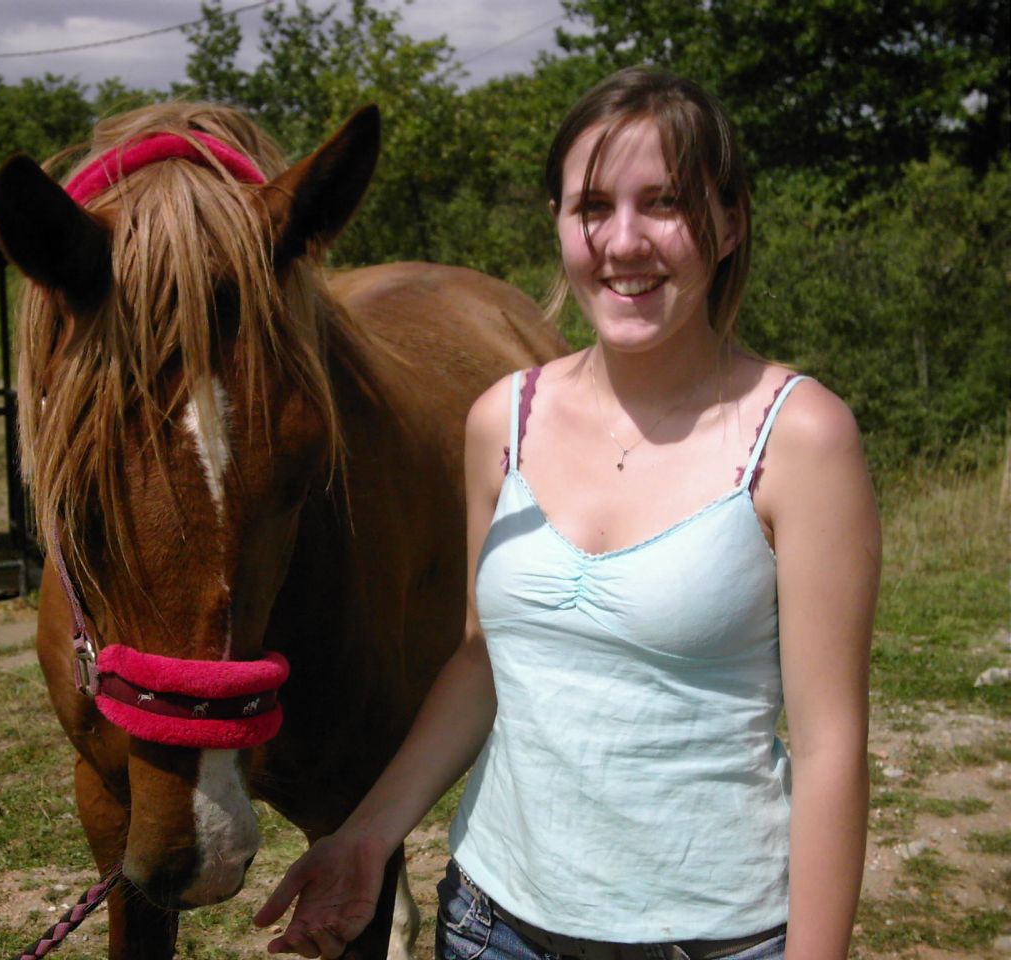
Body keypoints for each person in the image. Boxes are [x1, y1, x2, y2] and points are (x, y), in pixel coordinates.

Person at [253, 66, 880, 960]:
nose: (624, 241)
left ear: (731, 221)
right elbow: (483, 661)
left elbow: (829, 748)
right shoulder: (500, 420)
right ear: (558, 222)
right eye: (592, 207)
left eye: (665, 203)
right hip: (489, 925)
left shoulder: (801, 437)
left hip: (713, 937)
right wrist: (367, 834)